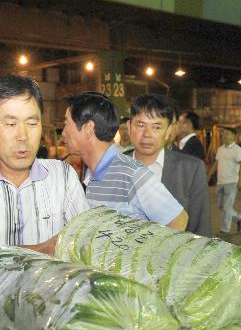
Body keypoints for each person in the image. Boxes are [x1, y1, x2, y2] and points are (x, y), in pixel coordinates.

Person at [0, 75, 88, 255]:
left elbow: (84, 243)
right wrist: (44, 249)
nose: (23, 136)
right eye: (11, 124)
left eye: (32, 123)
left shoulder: (63, 177)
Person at [61, 91, 188, 230]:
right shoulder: (90, 175)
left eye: (67, 123)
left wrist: (143, 252)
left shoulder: (131, 173)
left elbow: (178, 220)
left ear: (88, 128)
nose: (63, 133)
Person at [125, 94, 211, 236]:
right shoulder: (112, 167)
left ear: (169, 131)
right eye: (140, 125)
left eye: (157, 127)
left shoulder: (190, 169)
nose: (147, 134)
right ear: (129, 127)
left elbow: (201, 229)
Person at [209, 127, 241, 237]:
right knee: (221, 206)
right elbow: (216, 163)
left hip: (232, 182)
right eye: (223, 134)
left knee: (226, 207)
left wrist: (240, 181)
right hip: (220, 182)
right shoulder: (220, 149)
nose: (224, 136)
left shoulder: (237, 150)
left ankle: (225, 230)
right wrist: (209, 174)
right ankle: (239, 217)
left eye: (227, 134)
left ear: (233, 136)